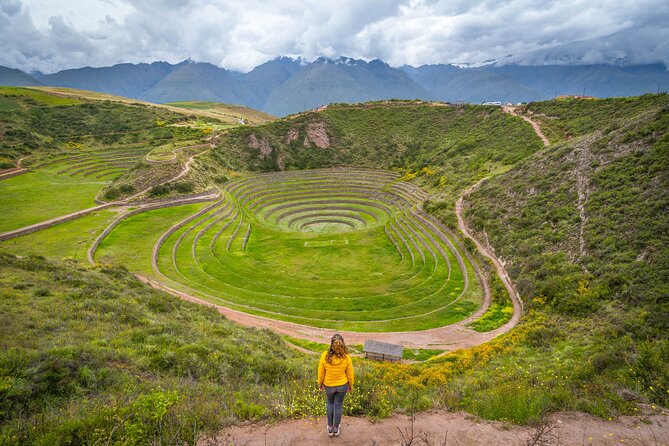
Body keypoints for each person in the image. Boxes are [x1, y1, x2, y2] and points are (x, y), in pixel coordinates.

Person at [318, 333, 354, 438]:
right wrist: (350, 385)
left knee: (330, 404)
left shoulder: (324, 356)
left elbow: (321, 372)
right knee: (338, 406)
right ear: (343, 344)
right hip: (342, 385)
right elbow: (350, 374)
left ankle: (330, 429)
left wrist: (320, 384)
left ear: (331, 344)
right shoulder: (347, 357)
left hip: (329, 385)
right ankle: (336, 428)